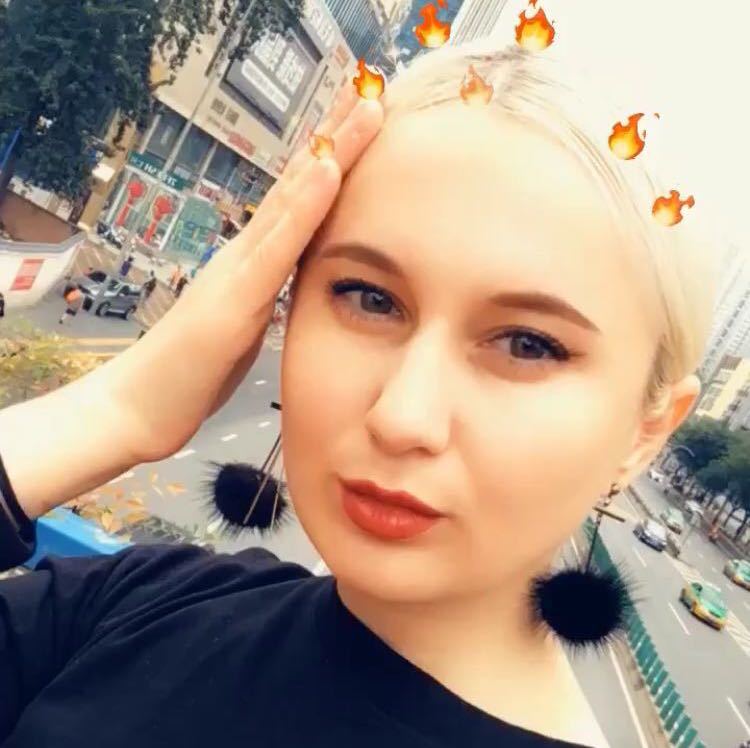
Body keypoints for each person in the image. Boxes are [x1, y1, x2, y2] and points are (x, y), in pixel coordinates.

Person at [0, 42, 720, 748]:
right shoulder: (146, 604)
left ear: (646, 432)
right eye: (370, 298)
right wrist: (111, 414)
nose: (402, 416)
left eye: (528, 344)